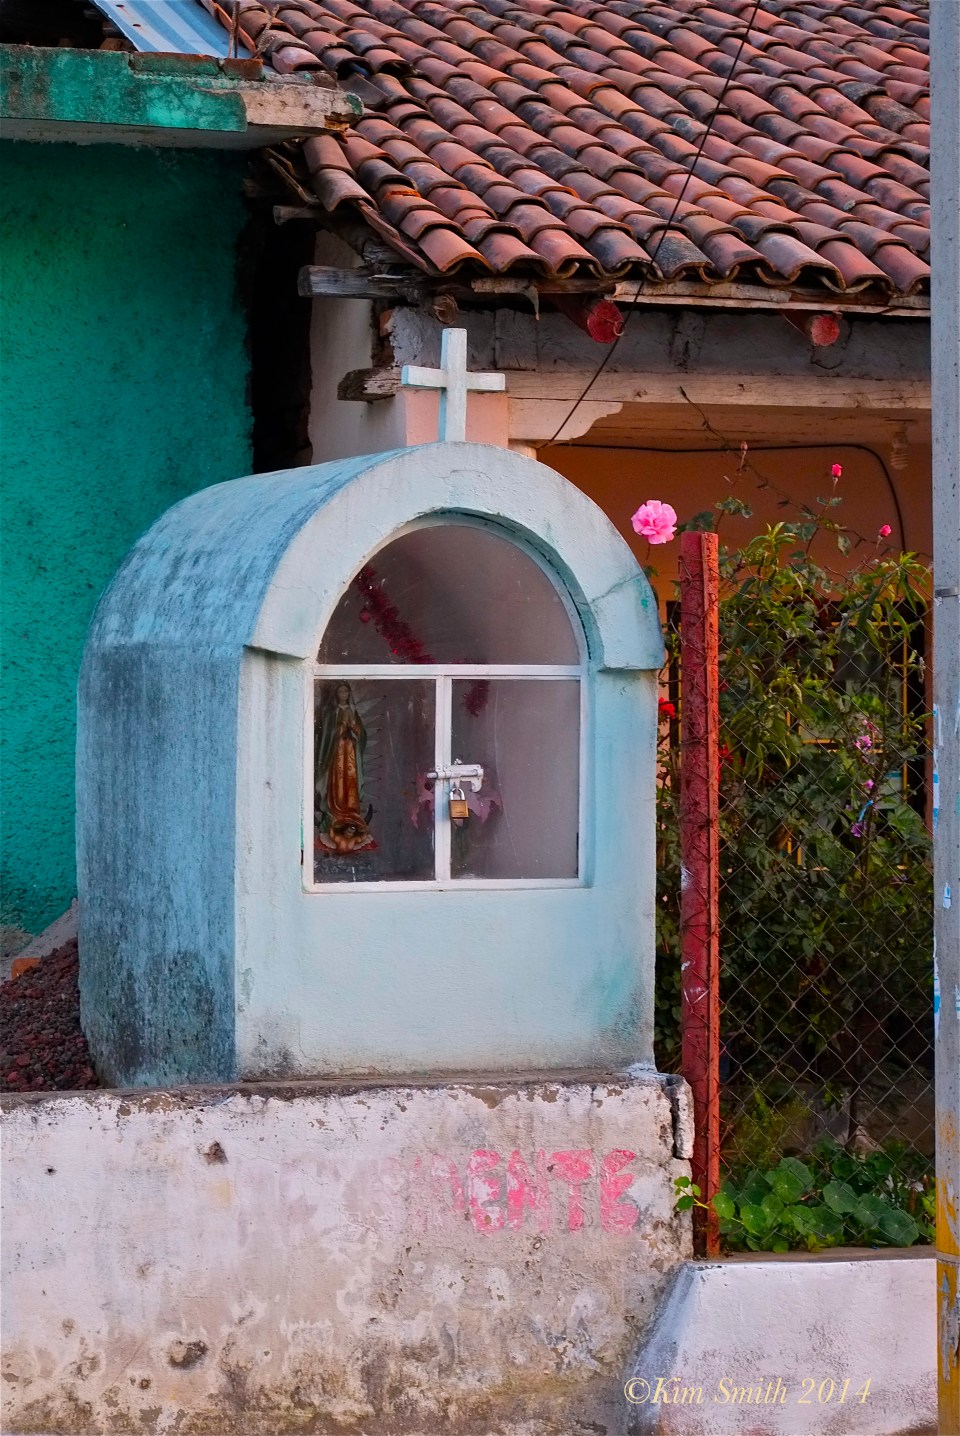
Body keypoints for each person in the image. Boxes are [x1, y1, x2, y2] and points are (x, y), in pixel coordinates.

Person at [315, 683, 376, 854]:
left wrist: (354, 730)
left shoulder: (353, 711)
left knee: (350, 783)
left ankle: (350, 810)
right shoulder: (330, 713)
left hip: (351, 753)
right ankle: (335, 811)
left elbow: (361, 733)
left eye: (346, 691)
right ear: (336, 694)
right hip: (335, 755)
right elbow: (326, 734)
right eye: (341, 691)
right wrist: (340, 728)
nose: (344, 693)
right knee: (337, 782)